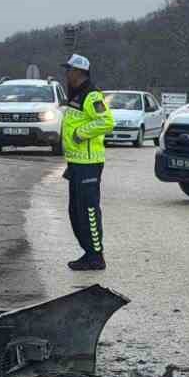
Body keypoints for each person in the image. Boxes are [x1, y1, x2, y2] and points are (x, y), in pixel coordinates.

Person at [60, 53, 114, 271]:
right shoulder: (77, 95)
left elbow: (107, 122)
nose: (66, 74)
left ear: (78, 72)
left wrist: (79, 134)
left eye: (69, 70)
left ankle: (96, 255)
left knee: (89, 210)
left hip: (89, 163)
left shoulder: (91, 96)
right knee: (75, 211)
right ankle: (88, 252)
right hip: (76, 162)